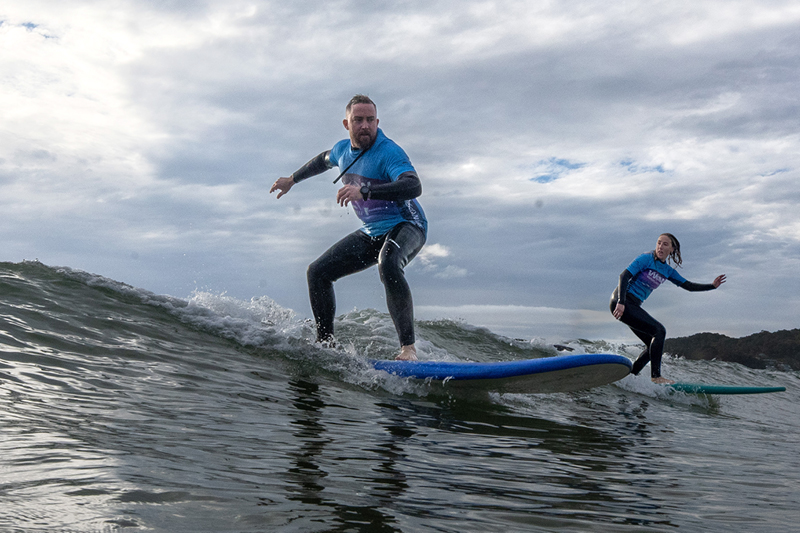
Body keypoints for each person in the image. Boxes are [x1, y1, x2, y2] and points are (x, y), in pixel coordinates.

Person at [269, 95, 427, 361]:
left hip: (407, 225)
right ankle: (326, 344)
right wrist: (292, 179)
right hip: (372, 231)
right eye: (358, 120)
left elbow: (414, 186)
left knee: (388, 263)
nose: (365, 126)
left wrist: (365, 190)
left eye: (370, 120)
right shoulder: (342, 151)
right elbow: (322, 160)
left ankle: (408, 350)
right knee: (317, 272)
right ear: (347, 123)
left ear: (377, 122)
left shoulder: (389, 152)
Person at [610, 233, 726, 384]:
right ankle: (656, 377)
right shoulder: (646, 259)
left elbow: (688, 286)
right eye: (659, 243)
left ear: (672, 249)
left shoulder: (668, 271)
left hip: (632, 305)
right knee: (660, 331)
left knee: (653, 345)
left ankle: (630, 376)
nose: (660, 247)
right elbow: (623, 276)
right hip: (623, 301)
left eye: (665, 244)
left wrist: (712, 286)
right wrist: (621, 301)